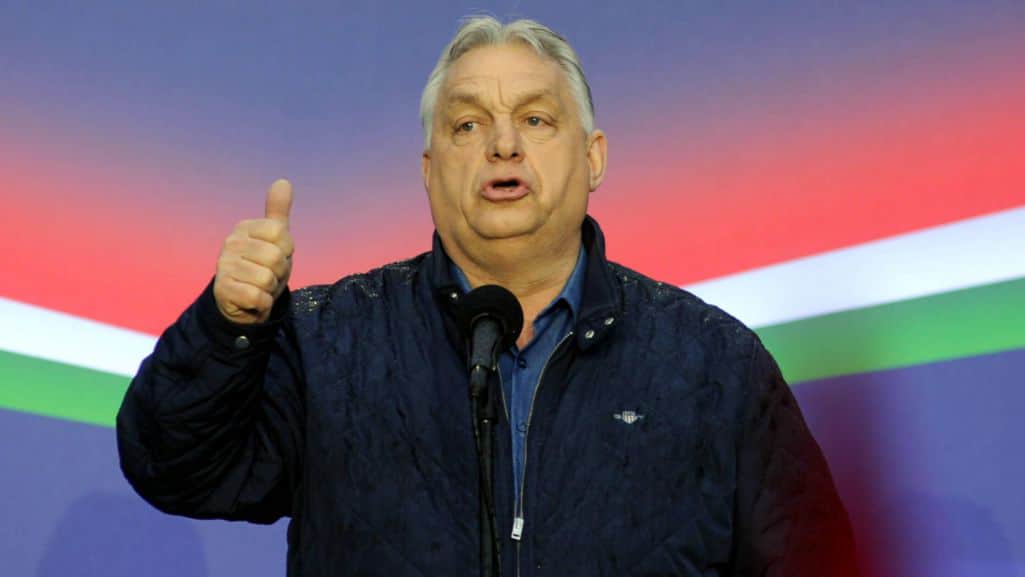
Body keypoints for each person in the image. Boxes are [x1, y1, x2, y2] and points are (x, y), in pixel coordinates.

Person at [117, 16, 859, 577]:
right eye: (468, 124)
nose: (503, 145)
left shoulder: (711, 364)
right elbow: (177, 469)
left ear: (593, 157)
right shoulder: (329, 343)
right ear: (429, 168)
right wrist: (230, 326)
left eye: (535, 119)